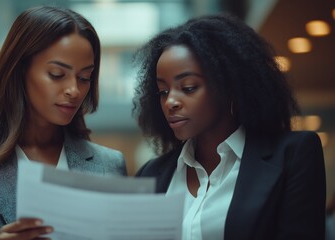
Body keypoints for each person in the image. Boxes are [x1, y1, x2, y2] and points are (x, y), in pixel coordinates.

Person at [0, 6, 127, 240]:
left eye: (84, 78)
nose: (74, 90)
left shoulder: (109, 165)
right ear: (19, 70)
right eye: (56, 74)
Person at [133, 14, 326, 240]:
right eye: (163, 91)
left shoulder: (292, 156)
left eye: (188, 87)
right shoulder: (150, 174)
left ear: (230, 87)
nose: (170, 102)